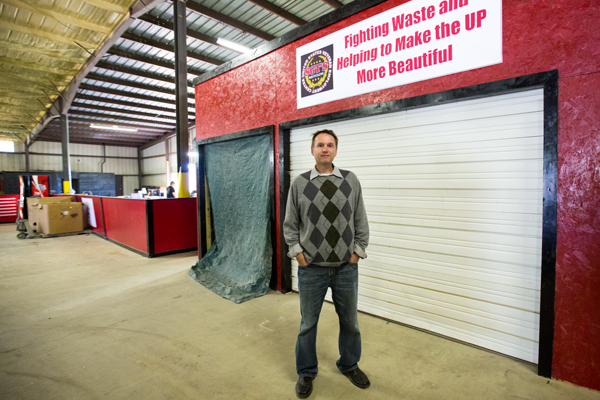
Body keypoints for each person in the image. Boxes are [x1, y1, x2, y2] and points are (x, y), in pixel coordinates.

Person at [284, 129, 370, 399]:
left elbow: (360, 220)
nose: (325, 149)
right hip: (312, 270)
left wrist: (357, 252)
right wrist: (298, 254)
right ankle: (306, 371)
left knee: (350, 323)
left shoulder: (350, 180)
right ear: (312, 150)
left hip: (346, 268)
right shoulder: (299, 184)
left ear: (335, 150)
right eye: (320, 144)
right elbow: (290, 226)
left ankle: (349, 364)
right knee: (308, 324)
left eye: (329, 145)